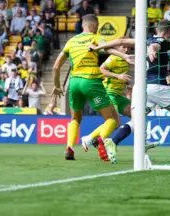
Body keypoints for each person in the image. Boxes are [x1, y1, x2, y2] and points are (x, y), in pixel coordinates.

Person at [93, 20, 170, 163]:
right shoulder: (162, 41)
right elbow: (155, 46)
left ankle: (113, 141)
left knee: (136, 121)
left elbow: (121, 40)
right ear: (169, 31)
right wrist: (152, 50)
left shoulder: (144, 40)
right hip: (157, 86)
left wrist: (99, 47)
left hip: (141, 87)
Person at [51, 14, 132, 161]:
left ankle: (69, 148)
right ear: (95, 26)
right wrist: (124, 56)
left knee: (75, 118)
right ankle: (100, 140)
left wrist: (57, 86)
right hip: (91, 81)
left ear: (83, 25)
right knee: (112, 119)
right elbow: (108, 50)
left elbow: (56, 67)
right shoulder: (95, 38)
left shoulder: (71, 41)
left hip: (74, 82)